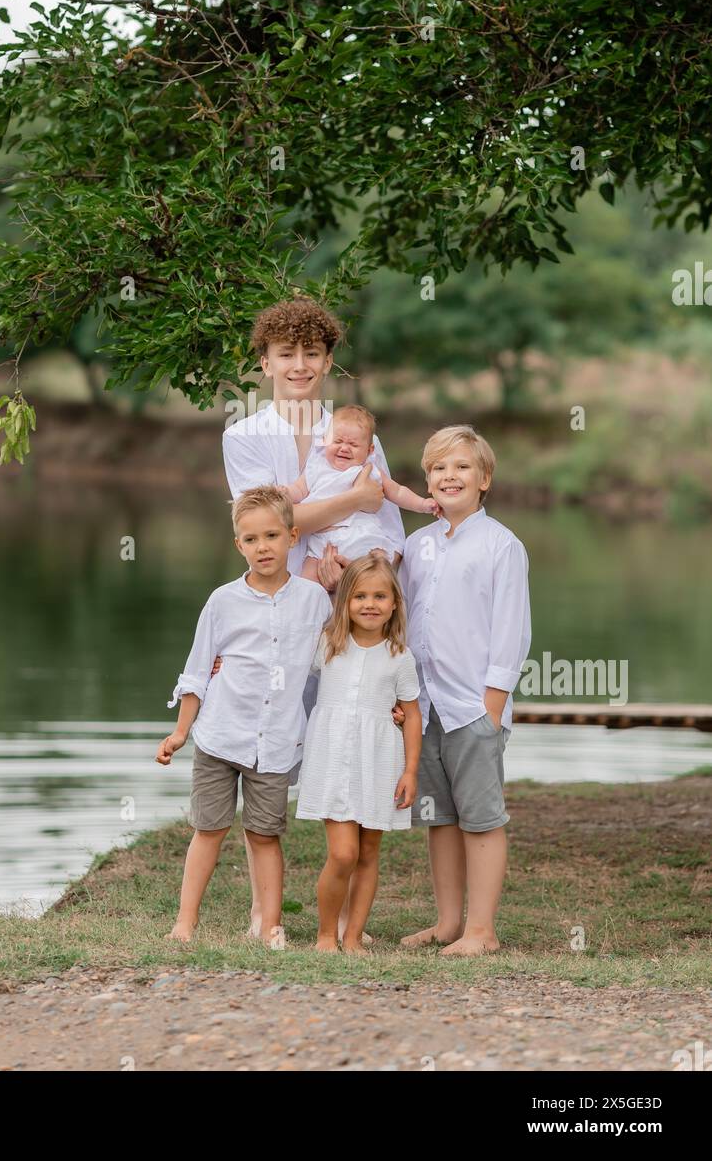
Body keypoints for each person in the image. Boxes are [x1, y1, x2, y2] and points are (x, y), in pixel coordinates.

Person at [221, 298, 406, 940]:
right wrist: (353, 496)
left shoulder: (356, 429)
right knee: (267, 750)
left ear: (327, 360)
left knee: (345, 747)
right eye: (285, 353)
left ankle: (344, 924)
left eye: (311, 353)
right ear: (265, 360)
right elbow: (267, 525)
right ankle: (263, 912)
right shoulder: (243, 437)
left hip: (342, 615)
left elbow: (386, 526)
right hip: (276, 610)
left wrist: (353, 575)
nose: (298, 365)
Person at [156, 485, 332, 947]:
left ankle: (271, 926)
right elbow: (197, 671)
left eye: (272, 536)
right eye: (251, 540)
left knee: (264, 835)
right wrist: (180, 732)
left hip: (276, 743)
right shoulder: (222, 602)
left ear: (293, 537)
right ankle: (185, 923)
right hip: (220, 735)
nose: (263, 547)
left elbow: (334, 659)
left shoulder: (314, 601)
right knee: (208, 830)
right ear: (239, 545)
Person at [396, 425, 532, 956]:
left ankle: (483, 930)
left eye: (461, 467)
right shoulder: (416, 545)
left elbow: (511, 631)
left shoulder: (502, 546)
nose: (448, 476)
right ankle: (449, 922)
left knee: (480, 819)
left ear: (484, 480)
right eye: (438, 468)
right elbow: (401, 619)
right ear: (427, 480)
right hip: (424, 707)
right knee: (440, 818)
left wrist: (491, 707)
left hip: (473, 708)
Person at [296, 554, 422, 952]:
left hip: (380, 761)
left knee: (367, 852)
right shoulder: (328, 645)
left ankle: (352, 937)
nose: (370, 604)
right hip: (333, 760)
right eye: (360, 596)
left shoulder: (400, 657)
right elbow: (280, 664)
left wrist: (411, 771)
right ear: (345, 601)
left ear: (394, 604)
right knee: (343, 852)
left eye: (380, 596)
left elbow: (413, 715)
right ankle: (324, 934)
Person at [283, 404, 439, 582]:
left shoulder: (369, 470)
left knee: (378, 566)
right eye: (338, 441)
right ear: (325, 440)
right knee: (306, 581)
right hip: (322, 543)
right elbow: (298, 490)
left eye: (353, 444)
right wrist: (284, 492)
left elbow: (397, 491)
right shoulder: (315, 468)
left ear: (370, 450)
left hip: (362, 536)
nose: (344, 448)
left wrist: (422, 504)